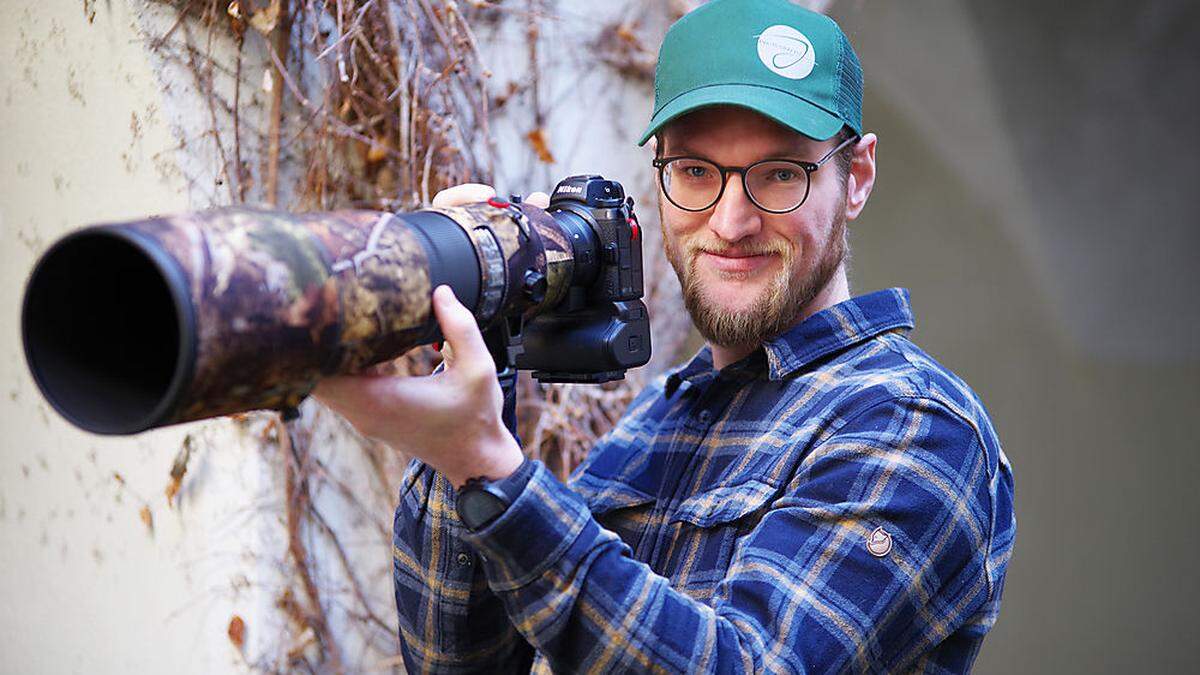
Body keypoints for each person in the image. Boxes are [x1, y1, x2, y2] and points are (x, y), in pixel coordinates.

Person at [315, 0, 1015, 671]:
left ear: (855, 177)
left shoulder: (910, 423)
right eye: (694, 171)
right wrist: (470, 391)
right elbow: (459, 665)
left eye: (778, 175)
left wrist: (489, 466)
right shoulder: (659, 417)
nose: (731, 221)